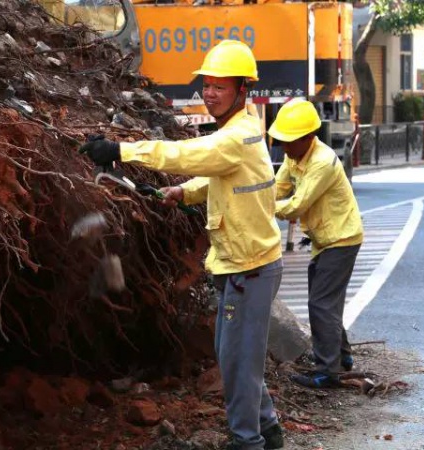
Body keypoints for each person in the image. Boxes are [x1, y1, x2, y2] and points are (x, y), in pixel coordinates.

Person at [79, 40, 285, 450]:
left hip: (250, 268)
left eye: (219, 86)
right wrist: (183, 193)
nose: (209, 93)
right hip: (238, 263)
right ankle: (270, 430)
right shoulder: (240, 131)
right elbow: (219, 176)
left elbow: (187, 153)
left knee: (238, 361)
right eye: (206, 85)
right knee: (235, 356)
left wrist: (120, 151)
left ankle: (248, 442)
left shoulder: (234, 138)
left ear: (242, 91)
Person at [268, 98, 364, 389]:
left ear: (309, 137)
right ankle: (342, 357)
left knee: (321, 304)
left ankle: (328, 371)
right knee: (326, 302)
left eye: (289, 141)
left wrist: (260, 210)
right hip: (325, 238)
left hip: (341, 238)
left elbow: (297, 205)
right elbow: (278, 187)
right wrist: (255, 198)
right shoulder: (294, 156)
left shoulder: (321, 162)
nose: (284, 147)